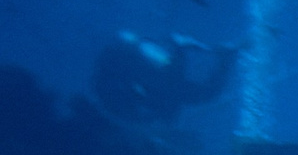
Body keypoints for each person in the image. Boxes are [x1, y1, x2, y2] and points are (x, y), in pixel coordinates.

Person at [90, 31, 238, 123]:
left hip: (160, 85)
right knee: (206, 93)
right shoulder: (112, 85)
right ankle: (221, 54)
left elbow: (137, 109)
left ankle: (183, 47)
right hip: (160, 85)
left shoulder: (110, 86)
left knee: (205, 93)